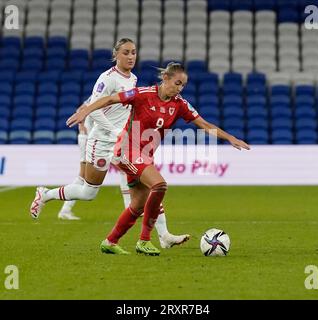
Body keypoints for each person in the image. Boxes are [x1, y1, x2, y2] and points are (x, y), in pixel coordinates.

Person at [65, 62, 251, 256]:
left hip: (144, 156)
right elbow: (111, 99)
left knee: (137, 205)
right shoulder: (142, 94)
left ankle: (110, 242)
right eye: (177, 83)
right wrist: (86, 110)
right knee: (160, 185)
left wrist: (230, 138)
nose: (179, 88)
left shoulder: (179, 104)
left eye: (183, 85)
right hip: (126, 150)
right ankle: (144, 240)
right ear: (165, 78)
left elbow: (204, 124)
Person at [30, 40, 190, 250]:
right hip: (103, 140)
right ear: (116, 55)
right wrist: (114, 131)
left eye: (134, 52)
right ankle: (46, 194)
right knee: (88, 192)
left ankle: (162, 235)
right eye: (126, 53)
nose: (131, 56)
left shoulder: (133, 78)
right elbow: (94, 108)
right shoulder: (107, 78)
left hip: (124, 142)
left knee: (149, 184)